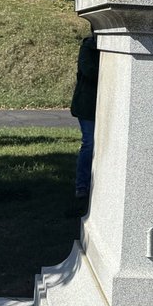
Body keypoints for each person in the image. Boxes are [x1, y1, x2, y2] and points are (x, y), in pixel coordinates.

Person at [68, 29, 100, 217]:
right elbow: (89, 71)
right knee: (89, 143)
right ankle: (82, 185)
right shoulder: (88, 48)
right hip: (87, 104)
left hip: (100, 104)